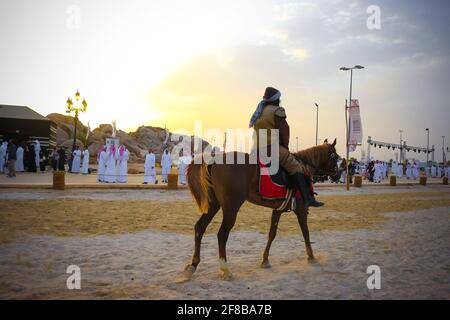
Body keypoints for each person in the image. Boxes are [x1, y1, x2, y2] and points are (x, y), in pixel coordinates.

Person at [250, 87, 323, 207]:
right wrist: (285, 147)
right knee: (296, 167)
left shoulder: (259, 111)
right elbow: (284, 132)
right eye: (278, 98)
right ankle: (307, 199)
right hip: (271, 148)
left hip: (256, 149)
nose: (279, 100)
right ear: (275, 99)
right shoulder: (277, 110)